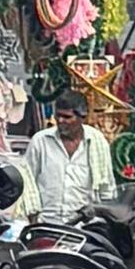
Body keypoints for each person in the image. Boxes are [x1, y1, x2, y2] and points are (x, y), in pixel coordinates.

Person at [18, 97, 116, 232]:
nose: (60, 121)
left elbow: (107, 188)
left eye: (67, 117)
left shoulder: (97, 142)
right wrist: (33, 225)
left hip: (85, 228)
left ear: (82, 118)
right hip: (47, 225)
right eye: (58, 115)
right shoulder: (40, 141)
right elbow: (27, 184)